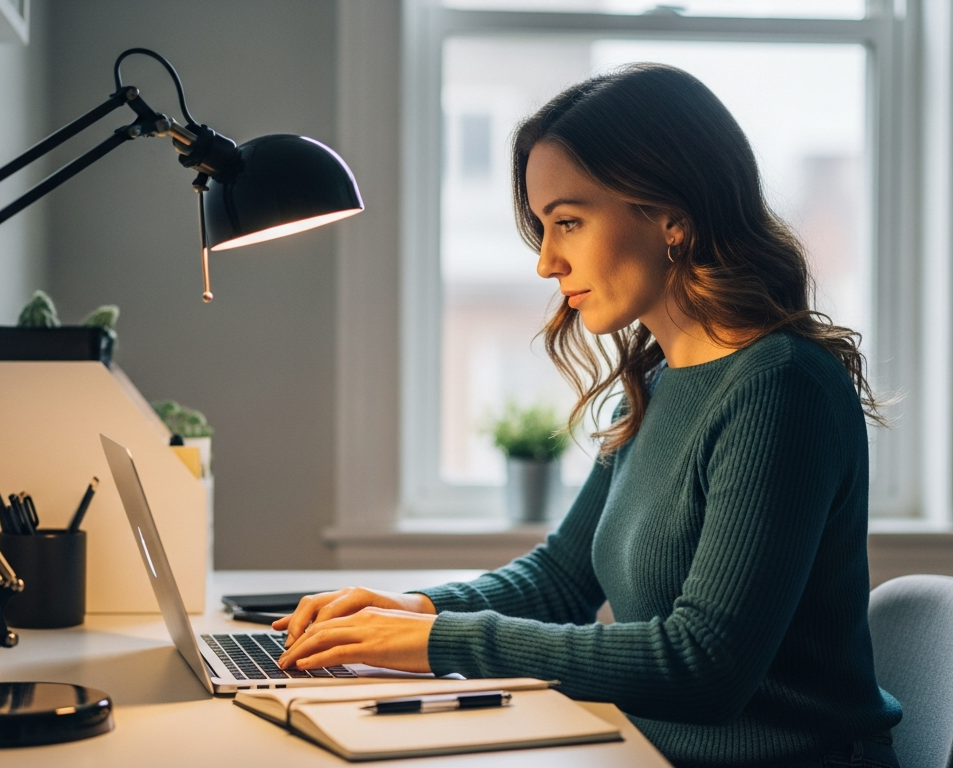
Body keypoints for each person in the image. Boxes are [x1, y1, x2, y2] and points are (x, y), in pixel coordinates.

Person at [274, 63, 903, 768]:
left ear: (672, 217)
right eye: (544, 228)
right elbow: (562, 581)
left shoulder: (781, 388)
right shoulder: (656, 385)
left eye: (568, 221)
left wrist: (436, 642)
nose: (546, 262)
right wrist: (410, 610)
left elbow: (705, 667)